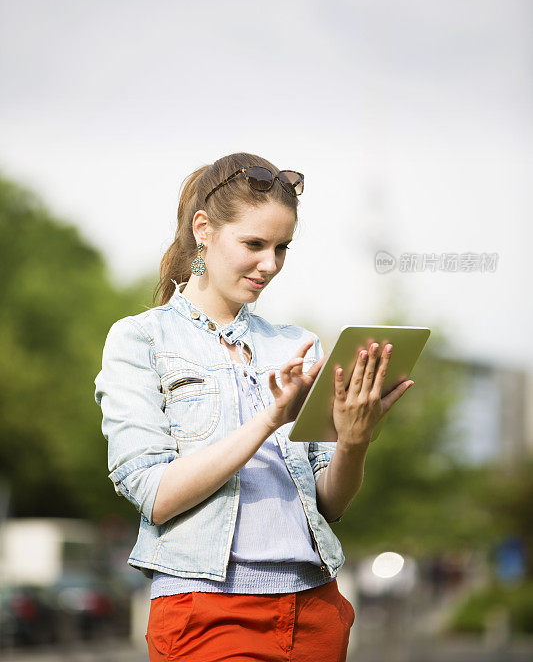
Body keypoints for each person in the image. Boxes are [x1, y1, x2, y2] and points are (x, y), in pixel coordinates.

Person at [94, 151, 413, 662]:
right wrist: (270, 419)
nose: (270, 264)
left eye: (282, 247)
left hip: (314, 609)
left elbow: (331, 503)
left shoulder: (298, 344)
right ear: (204, 229)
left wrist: (354, 440)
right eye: (254, 244)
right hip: (208, 611)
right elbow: (154, 495)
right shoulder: (140, 340)